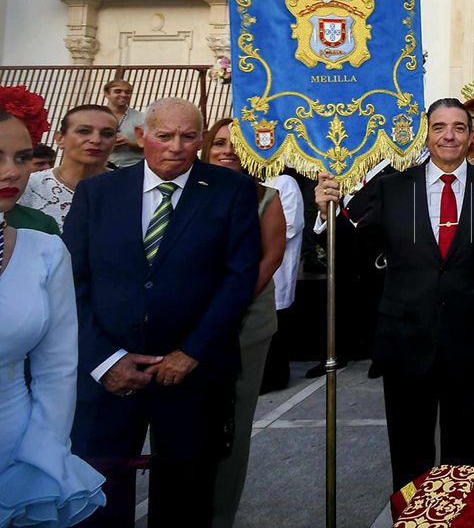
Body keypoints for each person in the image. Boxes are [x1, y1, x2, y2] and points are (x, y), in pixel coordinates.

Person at [65, 98, 261, 527]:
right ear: (141, 137)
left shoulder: (233, 192)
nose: (176, 147)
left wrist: (191, 352)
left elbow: (239, 278)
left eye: (189, 136)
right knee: (98, 494)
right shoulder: (98, 194)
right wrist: (105, 359)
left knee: (186, 496)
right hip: (109, 376)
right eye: (164, 135)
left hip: (194, 374)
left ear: (200, 139)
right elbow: (73, 283)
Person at [313, 98, 474, 491]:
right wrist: (328, 214)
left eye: (459, 127)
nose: (449, 135)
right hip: (406, 341)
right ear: (427, 133)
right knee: (410, 453)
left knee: (464, 453)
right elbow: (355, 250)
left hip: (471, 342)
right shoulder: (393, 187)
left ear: (471, 134)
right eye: (439, 126)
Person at [0, 106, 106, 527]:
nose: (12, 172)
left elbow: (57, 366)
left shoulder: (43, 248)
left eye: (22, 157)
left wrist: (43, 453)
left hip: (17, 446)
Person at [200, 119, 287, 528]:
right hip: (184, 325)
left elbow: (270, 259)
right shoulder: (186, 194)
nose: (227, 151)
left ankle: (220, 515)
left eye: (238, 145)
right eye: (218, 143)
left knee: (232, 425)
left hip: (245, 323)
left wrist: (221, 309)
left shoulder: (265, 197)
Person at [19, 105, 118, 229]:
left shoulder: (131, 188)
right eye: (84, 131)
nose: (96, 140)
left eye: (107, 134)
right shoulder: (27, 186)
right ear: (60, 138)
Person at [260, 169, 304, 393]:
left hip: (279, 267)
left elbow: (291, 225)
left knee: (276, 327)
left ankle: (276, 378)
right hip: (254, 268)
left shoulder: (284, 182)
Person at [102, 79, 145, 169]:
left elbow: (151, 144)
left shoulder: (142, 118)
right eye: (118, 91)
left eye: (127, 92)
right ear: (107, 94)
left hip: (133, 167)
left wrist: (129, 143)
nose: (123, 95)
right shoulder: (95, 116)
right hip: (102, 167)